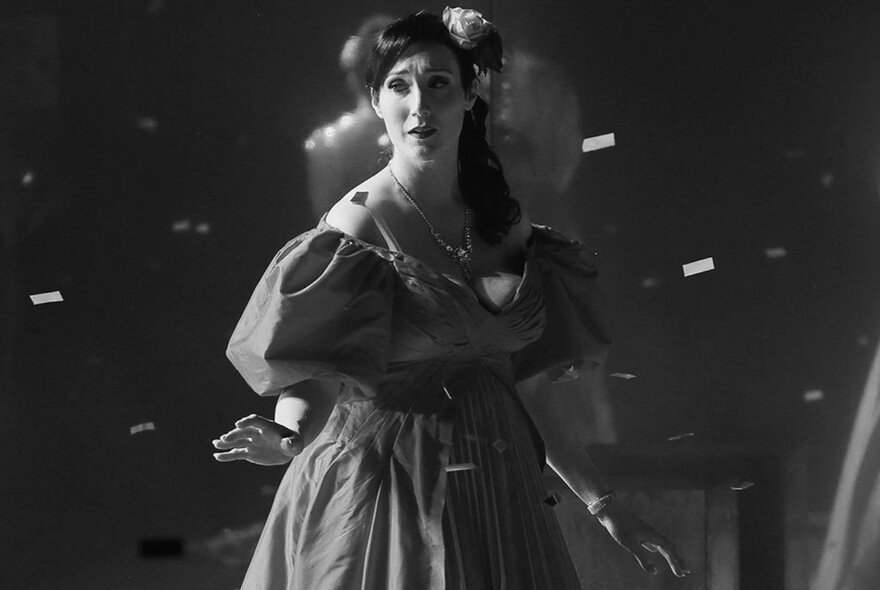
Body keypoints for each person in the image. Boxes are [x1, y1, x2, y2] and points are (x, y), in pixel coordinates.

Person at [214, 8, 689, 589]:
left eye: (438, 83)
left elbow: (525, 387)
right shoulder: (357, 226)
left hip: (498, 493)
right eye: (400, 85)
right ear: (376, 100)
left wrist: (604, 506)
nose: (419, 105)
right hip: (387, 490)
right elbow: (317, 373)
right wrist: (286, 437)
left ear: (469, 95)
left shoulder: (507, 225)